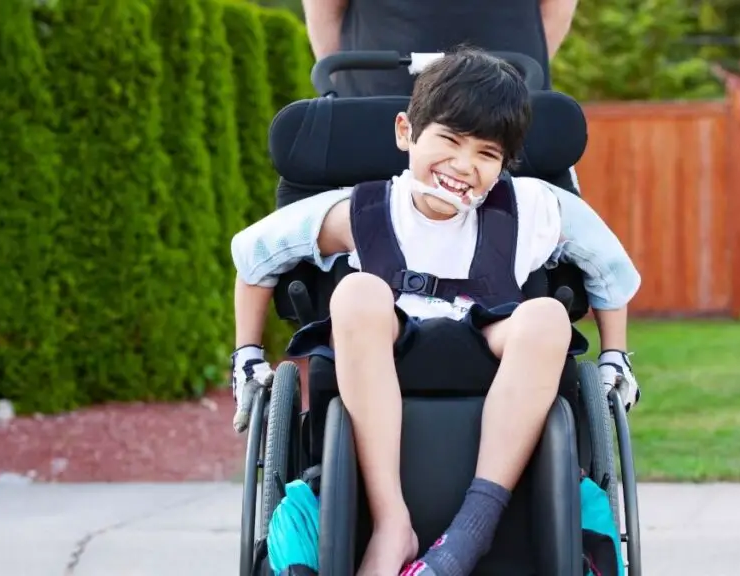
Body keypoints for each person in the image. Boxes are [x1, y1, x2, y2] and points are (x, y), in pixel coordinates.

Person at [230, 49, 636, 576]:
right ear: (406, 132)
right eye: (448, 140)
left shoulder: (534, 208)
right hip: (386, 349)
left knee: (547, 318)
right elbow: (254, 256)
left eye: (487, 153)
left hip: (491, 347)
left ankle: (468, 536)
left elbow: (611, 271)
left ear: (505, 163)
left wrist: (614, 356)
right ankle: (391, 522)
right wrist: (247, 353)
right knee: (355, 293)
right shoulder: (363, 209)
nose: (464, 165)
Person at [301, 0, 578, 97]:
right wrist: (339, 82)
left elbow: (554, 10)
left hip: (507, 106)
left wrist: (508, 78)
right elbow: (326, 9)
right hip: (377, 104)